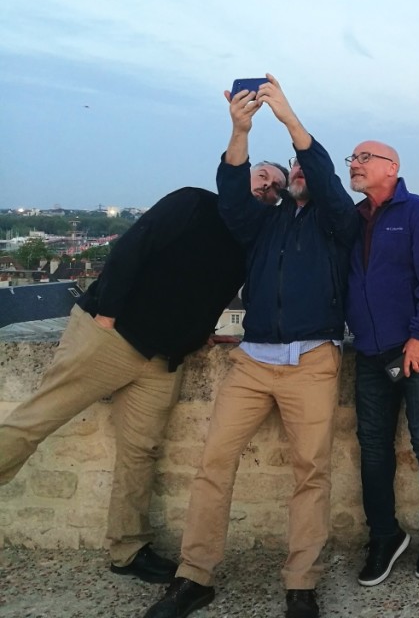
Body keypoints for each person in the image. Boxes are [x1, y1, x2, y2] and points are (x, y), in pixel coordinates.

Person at [0, 164, 285, 584]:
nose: (267, 186)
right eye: (262, 174)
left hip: (163, 360)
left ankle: (128, 549)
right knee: (34, 422)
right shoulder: (194, 202)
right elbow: (136, 244)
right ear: (241, 176)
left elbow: (212, 291)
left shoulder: (248, 240)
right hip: (111, 337)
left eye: (275, 186)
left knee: (141, 452)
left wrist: (199, 331)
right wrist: (109, 312)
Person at [144, 74, 358, 618]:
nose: (299, 171)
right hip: (254, 360)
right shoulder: (262, 222)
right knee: (215, 463)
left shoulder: (337, 223)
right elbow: (233, 191)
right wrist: (239, 129)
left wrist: (288, 119)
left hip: (312, 359)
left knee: (311, 471)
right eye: (293, 168)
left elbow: (330, 184)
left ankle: (301, 584)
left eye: (305, 167)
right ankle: (195, 576)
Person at [344, 140, 419, 586]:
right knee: (372, 448)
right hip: (370, 352)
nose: (354, 163)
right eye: (351, 158)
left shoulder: (418, 213)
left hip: (415, 348)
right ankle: (384, 537)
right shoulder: (354, 220)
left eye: (363, 157)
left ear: (392, 167)